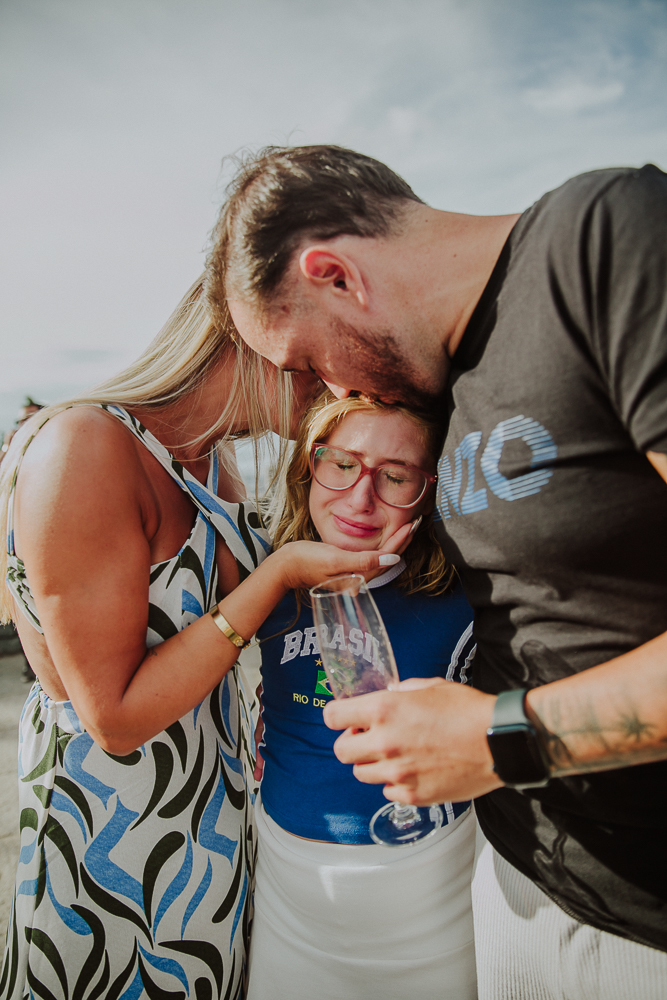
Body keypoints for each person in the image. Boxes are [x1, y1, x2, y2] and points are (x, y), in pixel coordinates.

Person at [205, 146, 667, 998]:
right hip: (514, 888)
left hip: (643, 914)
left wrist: (502, 736)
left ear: (335, 275)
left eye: (305, 363)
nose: (321, 389)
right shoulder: (449, 383)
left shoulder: (607, 237)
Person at [0, 274, 401, 1000]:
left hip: (209, 821)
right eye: (337, 357)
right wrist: (276, 574)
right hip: (114, 840)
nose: (346, 386)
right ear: (264, 335)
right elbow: (115, 719)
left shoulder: (211, 463)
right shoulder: (87, 446)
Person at [247, 392, 477, 1000]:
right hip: (288, 890)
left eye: (395, 477)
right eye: (343, 464)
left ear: (429, 490)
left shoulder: (466, 599)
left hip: (427, 894)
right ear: (311, 464)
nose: (359, 498)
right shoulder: (263, 577)